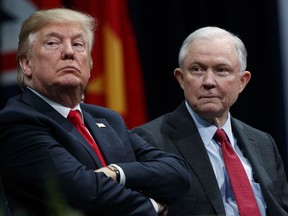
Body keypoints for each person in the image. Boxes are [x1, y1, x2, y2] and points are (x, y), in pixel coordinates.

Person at [0, 8, 191, 216]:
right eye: (53, 43)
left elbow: (177, 173)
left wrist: (116, 172)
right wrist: (152, 207)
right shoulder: (17, 120)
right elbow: (82, 192)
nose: (69, 52)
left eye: (78, 44)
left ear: (90, 66)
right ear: (26, 64)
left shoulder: (107, 119)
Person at [132, 26, 288, 216]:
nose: (208, 81)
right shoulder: (149, 140)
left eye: (221, 70)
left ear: (242, 82)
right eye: (197, 69)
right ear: (181, 79)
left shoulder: (264, 143)